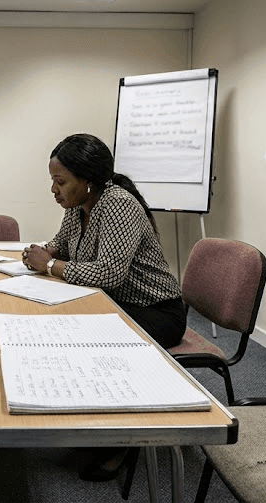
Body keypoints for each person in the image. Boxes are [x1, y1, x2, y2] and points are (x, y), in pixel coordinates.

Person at [21, 133, 185, 482]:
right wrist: (45, 253)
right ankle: (91, 423)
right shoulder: (78, 207)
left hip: (157, 310)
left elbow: (109, 272)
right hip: (114, 302)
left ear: (89, 181)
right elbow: (60, 246)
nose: (54, 190)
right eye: (52, 180)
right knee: (66, 326)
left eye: (60, 182)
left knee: (88, 338)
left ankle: (121, 441)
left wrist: (49, 266)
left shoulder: (117, 204)